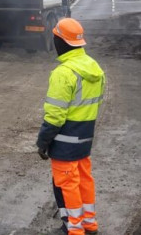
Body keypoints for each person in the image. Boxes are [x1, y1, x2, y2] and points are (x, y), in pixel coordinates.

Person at [36, 18, 105, 235]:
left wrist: (43, 141)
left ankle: (74, 230)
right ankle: (89, 224)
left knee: (66, 185)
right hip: (84, 138)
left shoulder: (64, 73)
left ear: (60, 42)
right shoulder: (94, 68)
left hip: (64, 141)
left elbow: (55, 116)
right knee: (84, 180)